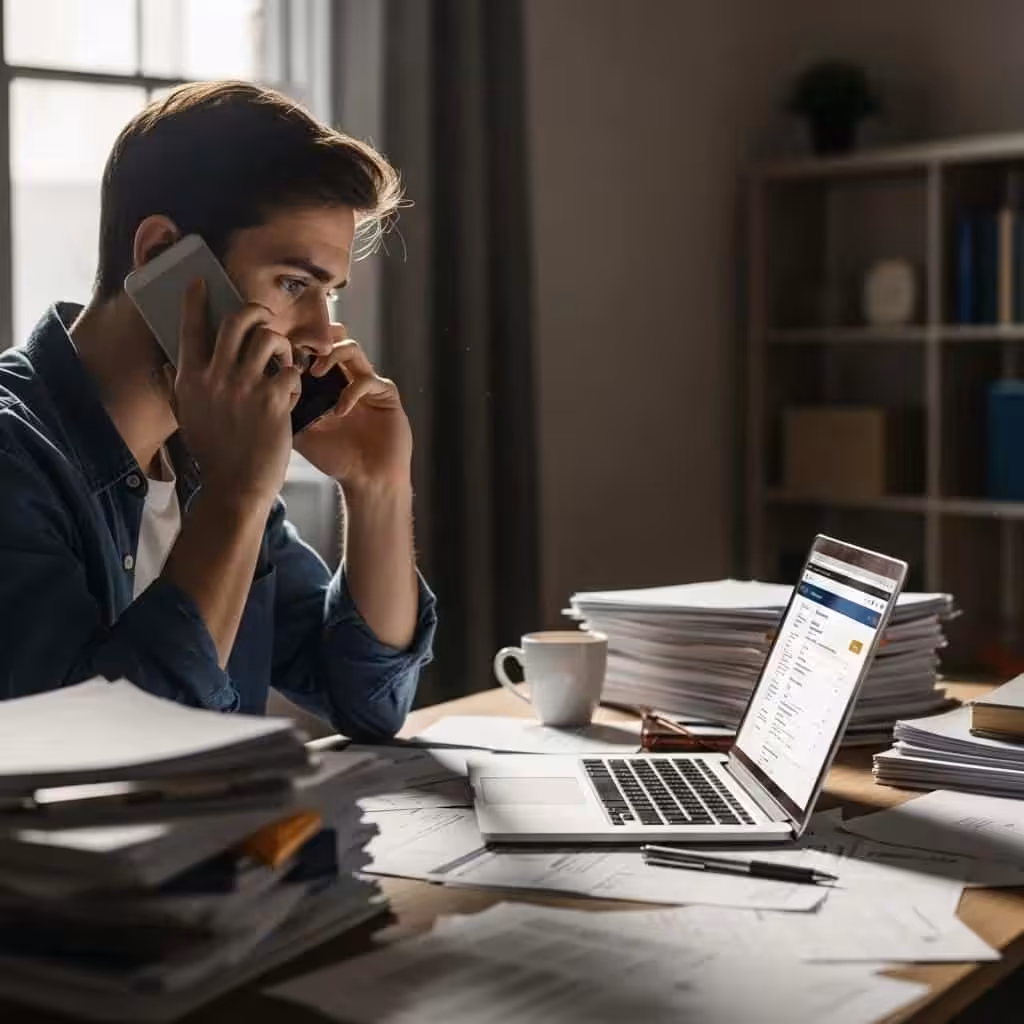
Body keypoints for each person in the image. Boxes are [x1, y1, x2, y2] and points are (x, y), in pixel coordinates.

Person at [0, 81, 436, 740]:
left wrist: (378, 486)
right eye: (294, 283)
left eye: (329, 296)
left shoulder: (207, 452)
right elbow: (95, 750)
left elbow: (369, 701)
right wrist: (237, 492)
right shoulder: (17, 458)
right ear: (161, 256)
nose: (322, 337)